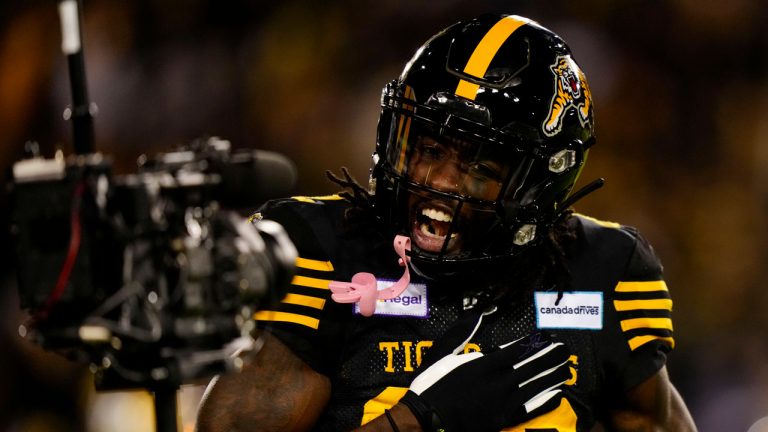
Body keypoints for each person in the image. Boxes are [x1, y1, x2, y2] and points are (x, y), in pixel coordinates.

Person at [196, 13, 697, 432]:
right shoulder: (325, 251)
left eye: (480, 166)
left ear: (541, 184)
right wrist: (423, 420)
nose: (437, 181)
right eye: (430, 148)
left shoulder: (604, 271)